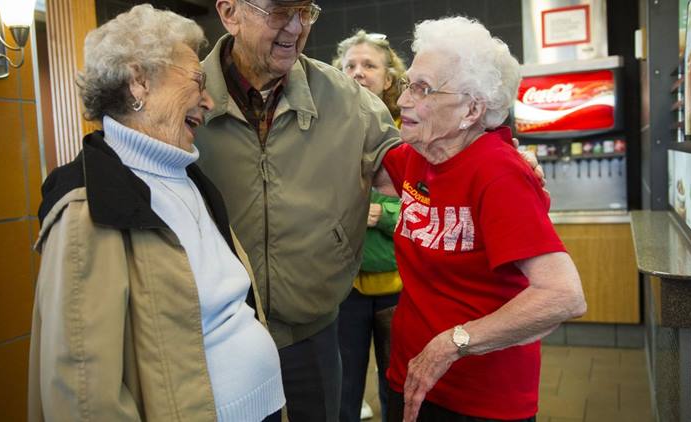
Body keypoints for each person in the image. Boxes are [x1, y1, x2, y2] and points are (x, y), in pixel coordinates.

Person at [195, 2, 545, 420]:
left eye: (305, 11)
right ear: (230, 12)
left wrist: (497, 160)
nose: (295, 26)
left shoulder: (347, 100)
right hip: (215, 332)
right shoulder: (188, 90)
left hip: (313, 330)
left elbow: (422, 167)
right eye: (278, 11)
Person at [27, 5, 284, 421]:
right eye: (197, 81)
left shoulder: (187, 177)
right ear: (138, 82)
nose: (209, 99)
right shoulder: (87, 206)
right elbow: (84, 394)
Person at [376, 17, 587, 422]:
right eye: (408, 85)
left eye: (423, 89)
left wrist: (452, 343)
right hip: (412, 378)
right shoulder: (416, 156)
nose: (403, 102)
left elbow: (563, 295)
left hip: (481, 397)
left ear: (472, 108)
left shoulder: (499, 173)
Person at [332, 30, 406, 422]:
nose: (358, 73)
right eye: (349, 66)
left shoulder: (408, 129)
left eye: (369, 65)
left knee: (398, 387)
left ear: (389, 78)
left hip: (399, 286)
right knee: (343, 388)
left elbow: (428, 203)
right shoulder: (330, 131)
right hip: (347, 286)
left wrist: (382, 214)